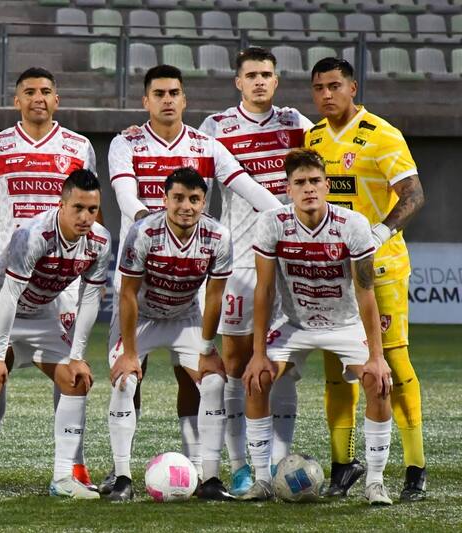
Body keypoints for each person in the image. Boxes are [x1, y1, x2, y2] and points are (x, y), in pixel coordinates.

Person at [102, 63, 283, 493]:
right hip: (142, 286)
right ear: (145, 100)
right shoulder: (125, 142)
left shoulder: (206, 144)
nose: (167, 100)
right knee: (129, 375)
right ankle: (122, 472)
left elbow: (245, 185)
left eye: (175, 93)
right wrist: (155, 224)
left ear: (185, 100)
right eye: (159, 93)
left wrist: (284, 214)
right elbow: (126, 194)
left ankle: (203, 470)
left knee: (204, 377)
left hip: (188, 295)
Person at [0, 67, 98, 488]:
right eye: (29, 92)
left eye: (45, 91)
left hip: (59, 283)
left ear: (56, 99)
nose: (38, 98)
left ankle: (71, 465)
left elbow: (85, 196)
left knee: (72, 374)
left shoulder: (78, 146)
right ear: (16, 100)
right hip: (6, 275)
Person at [240, 148, 394, 505]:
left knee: (379, 382)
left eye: (314, 181)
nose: (308, 188)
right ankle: (263, 479)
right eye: (300, 183)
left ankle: (375, 481)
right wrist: (258, 353)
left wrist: (376, 356)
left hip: (344, 322)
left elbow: (366, 292)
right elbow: (262, 291)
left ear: (327, 185)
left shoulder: (352, 224)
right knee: (256, 378)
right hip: (293, 323)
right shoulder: (272, 223)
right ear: (287, 189)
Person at [305, 57, 427, 501]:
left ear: (352, 87)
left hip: (382, 270)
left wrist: (380, 231)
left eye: (334, 85)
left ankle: (415, 467)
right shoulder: (313, 137)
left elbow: (414, 194)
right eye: (318, 88)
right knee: (337, 368)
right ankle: (344, 464)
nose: (326, 95)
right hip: (332, 273)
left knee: (391, 365)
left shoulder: (382, 134)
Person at [198, 47, 314, 495]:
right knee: (234, 361)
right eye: (252, 75)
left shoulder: (297, 125)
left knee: (281, 363)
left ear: (277, 79)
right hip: (240, 259)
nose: (260, 81)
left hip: (288, 259)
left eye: (267, 74)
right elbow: (204, 190)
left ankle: (278, 459)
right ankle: (240, 464)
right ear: (238, 82)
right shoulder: (217, 126)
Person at [0, 170, 110, 500]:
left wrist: (76, 356)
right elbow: (9, 295)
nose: (86, 217)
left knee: (76, 380)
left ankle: (62, 479)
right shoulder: (33, 234)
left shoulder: (100, 240)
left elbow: (89, 300)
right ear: (61, 204)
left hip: (42, 311)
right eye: (78, 208)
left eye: (92, 209)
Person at [106, 167, 233, 502]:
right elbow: (127, 294)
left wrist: (207, 348)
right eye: (178, 198)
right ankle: (121, 478)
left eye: (194, 199)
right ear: (164, 199)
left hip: (185, 318)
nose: (186, 206)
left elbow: (216, 295)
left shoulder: (218, 236)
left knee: (215, 381)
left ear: (204, 202)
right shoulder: (143, 231)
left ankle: (210, 478)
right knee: (125, 381)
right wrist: (130, 353)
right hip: (141, 319)